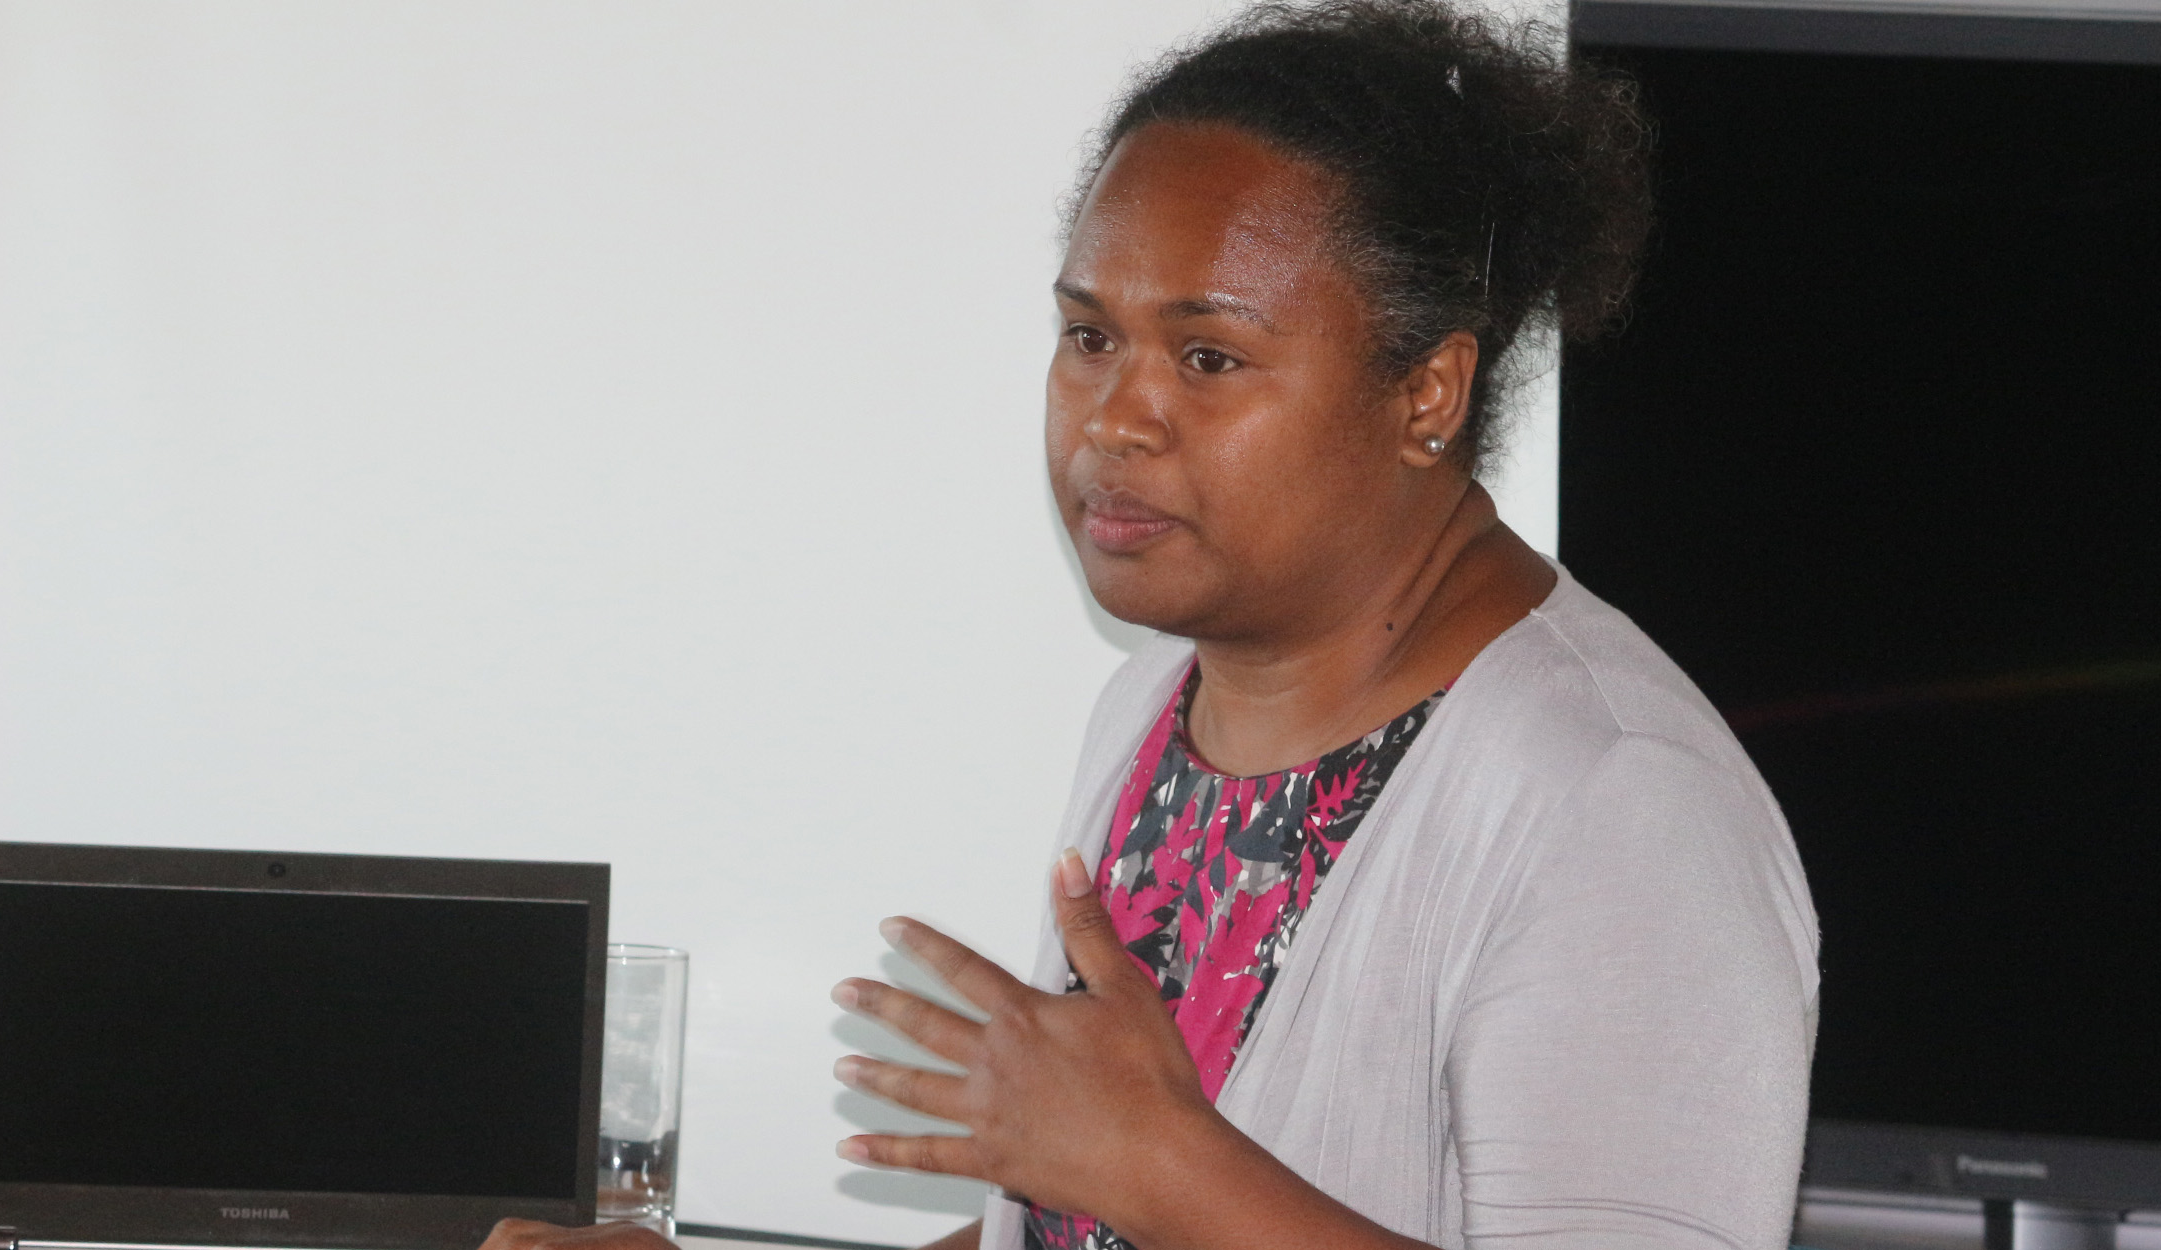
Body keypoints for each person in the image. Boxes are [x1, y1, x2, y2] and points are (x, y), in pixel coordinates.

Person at [483, 3, 1817, 1249]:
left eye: (1208, 357)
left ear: (1427, 393)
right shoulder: (1162, 700)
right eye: (1088, 338)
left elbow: (1150, 1184)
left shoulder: (1616, 805)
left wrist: (1159, 1166)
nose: (1115, 419)